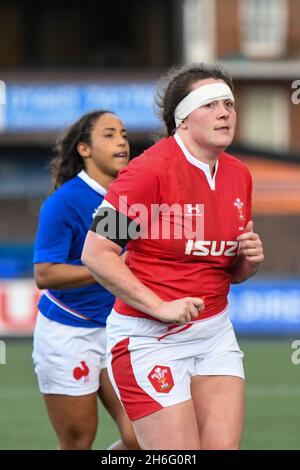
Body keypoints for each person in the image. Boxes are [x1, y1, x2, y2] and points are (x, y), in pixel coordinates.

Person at [81, 64, 264, 450]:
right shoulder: (149, 172)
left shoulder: (238, 175)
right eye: (210, 104)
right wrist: (159, 306)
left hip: (214, 335)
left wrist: (248, 260)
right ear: (182, 119)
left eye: (228, 103)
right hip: (150, 340)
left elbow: (230, 271)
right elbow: (97, 253)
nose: (224, 112)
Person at [32, 110, 139, 450]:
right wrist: (105, 267)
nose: (121, 140)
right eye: (109, 134)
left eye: (123, 133)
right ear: (84, 149)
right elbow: (45, 274)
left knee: (144, 438)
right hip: (69, 333)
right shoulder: (64, 202)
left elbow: (126, 262)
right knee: (78, 442)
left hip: (119, 329)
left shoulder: (126, 197)